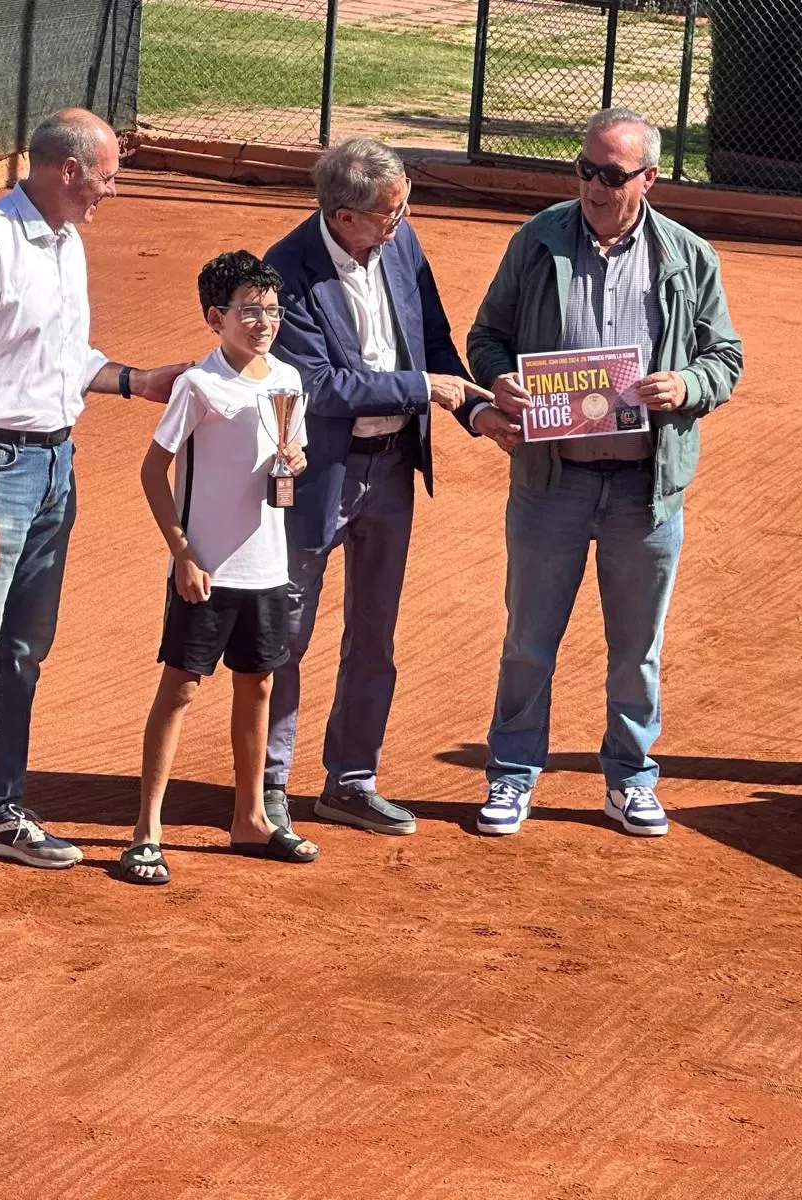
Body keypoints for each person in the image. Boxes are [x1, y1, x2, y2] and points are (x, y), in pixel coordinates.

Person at [0, 108, 186, 893]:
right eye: (108, 176)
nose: (113, 191)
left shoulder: (65, 242)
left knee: (23, 649)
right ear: (67, 170)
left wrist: (136, 380)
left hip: (55, 465)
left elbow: (60, 359)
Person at [466, 107, 744, 838]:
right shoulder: (538, 241)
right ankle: (512, 775)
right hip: (551, 480)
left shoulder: (687, 257)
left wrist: (687, 384)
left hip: (643, 490)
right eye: (585, 170)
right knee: (529, 642)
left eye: (611, 176)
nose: (593, 185)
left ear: (648, 179)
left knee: (635, 652)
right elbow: (486, 336)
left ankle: (630, 779)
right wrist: (499, 380)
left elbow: (725, 357)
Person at [262, 138, 508, 837]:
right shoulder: (285, 271)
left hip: (393, 466)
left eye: (403, 209)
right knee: (286, 633)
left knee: (374, 634)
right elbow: (316, 385)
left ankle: (351, 781)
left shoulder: (401, 245)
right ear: (344, 216)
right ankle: (268, 783)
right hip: (317, 473)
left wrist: (476, 410)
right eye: (389, 214)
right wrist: (420, 388)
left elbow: (434, 341)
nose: (401, 223)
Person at [121, 251, 320, 884]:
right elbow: (153, 471)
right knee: (180, 688)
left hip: (267, 568)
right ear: (216, 318)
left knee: (258, 686)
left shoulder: (288, 379)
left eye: (272, 310)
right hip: (205, 570)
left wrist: (296, 460)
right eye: (249, 311)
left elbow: (293, 456)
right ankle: (146, 832)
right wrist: (183, 554)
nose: (265, 322)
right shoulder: (198, 386)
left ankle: (250, 819)